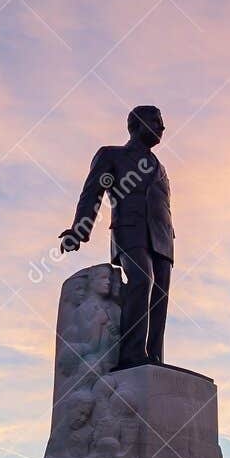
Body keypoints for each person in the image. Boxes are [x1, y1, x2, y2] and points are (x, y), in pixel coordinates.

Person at [59, 105, 174, 368]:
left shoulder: (161, 168)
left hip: (163, 238)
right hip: (129, 230)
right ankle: (132, 355)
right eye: (155, 121)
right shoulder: (112, 155)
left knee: (160, 295)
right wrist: (79, 230)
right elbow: (93, 193)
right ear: (136, 125)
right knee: (141, 281)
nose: (161, 127)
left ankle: (153, 357)